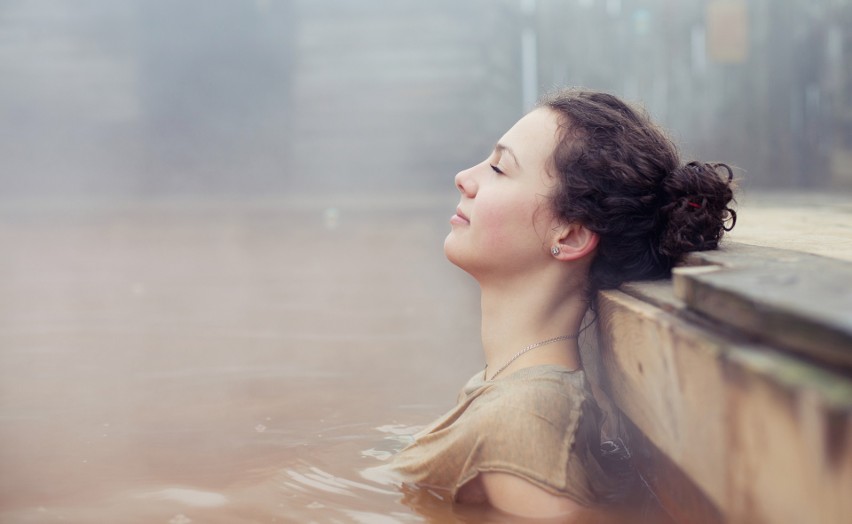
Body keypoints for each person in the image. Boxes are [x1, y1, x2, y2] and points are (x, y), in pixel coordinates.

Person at [382, 88, 736, 519]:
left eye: (499, 167)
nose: (464, 177)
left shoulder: (524, 419)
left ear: (568, 236)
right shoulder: (513, 392)